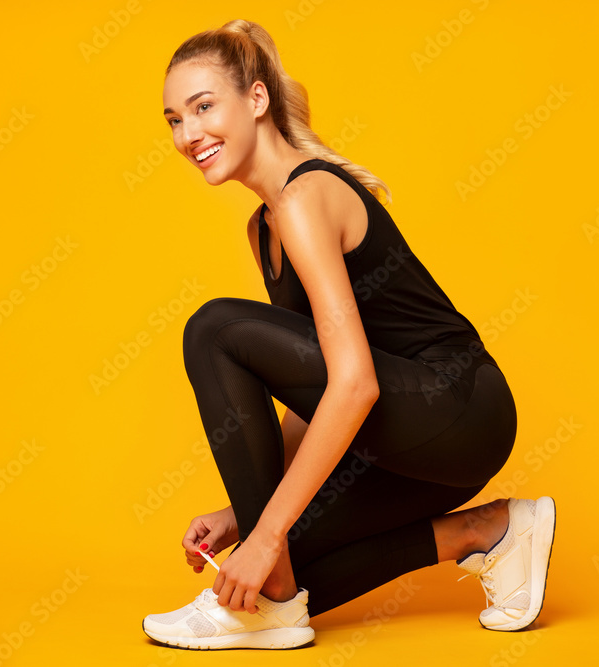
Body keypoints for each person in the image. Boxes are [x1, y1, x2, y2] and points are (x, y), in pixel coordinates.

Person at [143, 19, 556, 650]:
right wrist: (245, 522)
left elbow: (355, 383)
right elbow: (317, 387)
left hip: (461, 409)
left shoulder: (306, 198)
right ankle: (493, 531)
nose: (188, 133)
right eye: (174, 118)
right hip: (410, 440)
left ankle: (268, 608)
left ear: (257, 100)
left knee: (214, 329)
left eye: (203, 107)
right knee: (282, 577)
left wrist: (265, 532)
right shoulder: (265, 229)